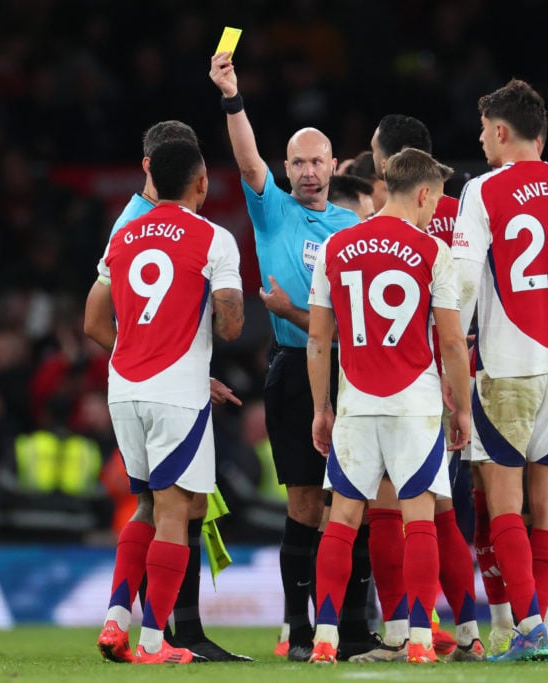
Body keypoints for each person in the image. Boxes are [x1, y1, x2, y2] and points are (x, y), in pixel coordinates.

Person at [208, 52, 369, 662]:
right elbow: (246, 157)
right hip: (294, 369)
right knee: (305, 502)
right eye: (296, 162)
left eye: (315, 161)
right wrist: (232, 96)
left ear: (333, 165)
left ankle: (352, 628)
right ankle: (298, 629)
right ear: (287, 168)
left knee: (353, 504)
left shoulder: (353, 227)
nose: (307, 171)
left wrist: (294, 309)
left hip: (349, 374)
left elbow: (356, 319)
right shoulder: (271, 207)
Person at [452, 79, 548, 661]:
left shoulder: (483, 190)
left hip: (507, 364)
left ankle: (528, 631)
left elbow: (465, 281)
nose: (480, 140)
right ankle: (546, 625)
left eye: (483, 130)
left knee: (502, 501)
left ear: (499, 130)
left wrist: (451, 359)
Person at [85, 120, 249, 663]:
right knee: (178, 512)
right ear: (201, 183)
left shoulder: (123, 234)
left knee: (146, 507)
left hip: (123, 387)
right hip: (176, 391)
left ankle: (115, 622)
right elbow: (229, 328)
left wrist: (139, 347)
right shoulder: (213, 237)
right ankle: (155, 641)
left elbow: (92, 320)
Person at [305, 148, 471, 665]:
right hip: (413, 404)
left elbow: (317, 340)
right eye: (435, 199)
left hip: (356, 404)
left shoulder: (335, 245)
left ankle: (324, 639)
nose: (434, 208)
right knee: (419, 517)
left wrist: (321, 408)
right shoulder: (432, 250)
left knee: (343, 521)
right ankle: (420, 640)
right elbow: (450, 343)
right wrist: (461, 408)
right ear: (423, 193)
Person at [345, 113, 483, 662]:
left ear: (389, 163)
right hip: (454, 379)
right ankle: (466, 630)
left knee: (387, 513)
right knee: (445, 512)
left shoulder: (377, 226)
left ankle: (404, 631)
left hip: (395, 383)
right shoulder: (459, 216)